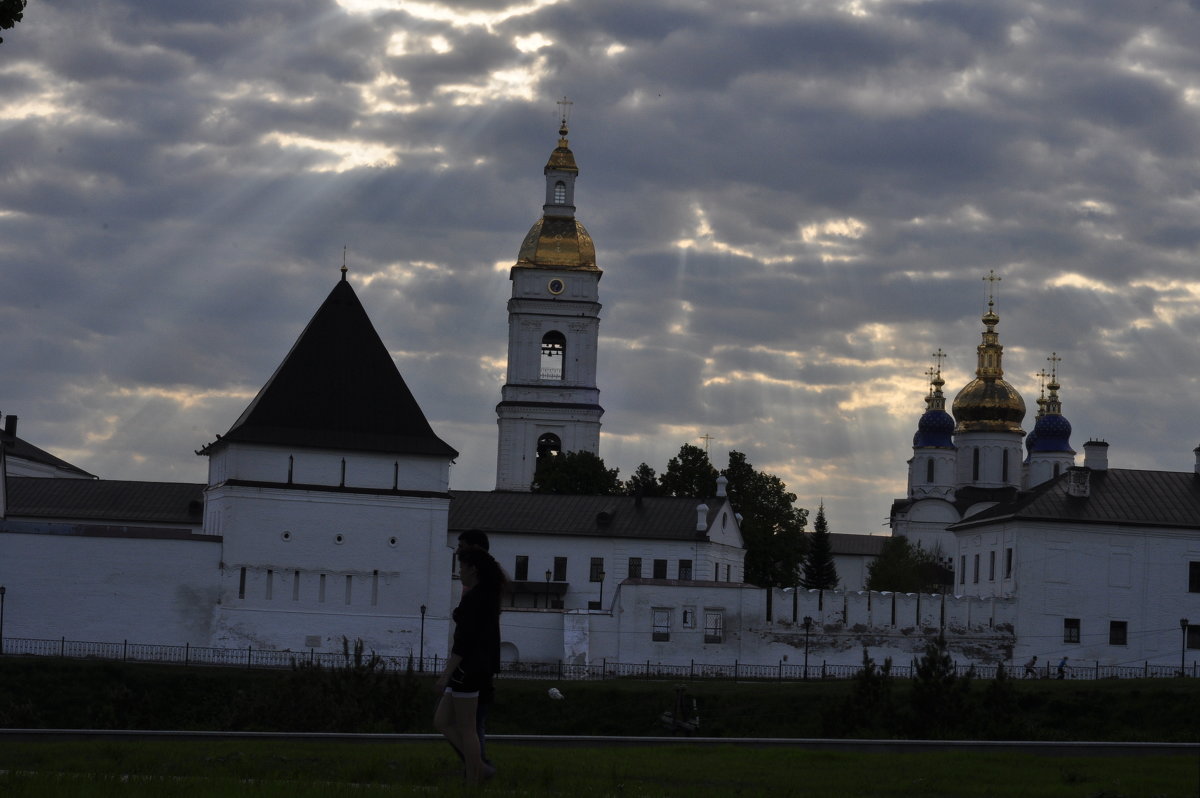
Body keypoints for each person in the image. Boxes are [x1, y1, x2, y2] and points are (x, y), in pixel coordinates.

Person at [435, 546, 505, 784]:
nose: (459, 572)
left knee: (467, 729)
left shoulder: (476, 599)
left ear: (472, 569)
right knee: (442, 721)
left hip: (467, 670)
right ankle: (479, 767)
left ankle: (474, 777)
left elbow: (463, 642)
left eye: (462, 567)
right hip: (470, 669)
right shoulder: (484, 595)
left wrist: (446, 673)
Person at [453, 529, 498, 770]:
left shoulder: (481, 591)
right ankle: (476, 765)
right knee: (471, 723)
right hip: (479, 663)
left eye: (462, 547)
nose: (458, 551)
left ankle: (478, 767)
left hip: (473, 665)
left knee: (470, 724)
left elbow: (468, 635)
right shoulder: (485, 586)